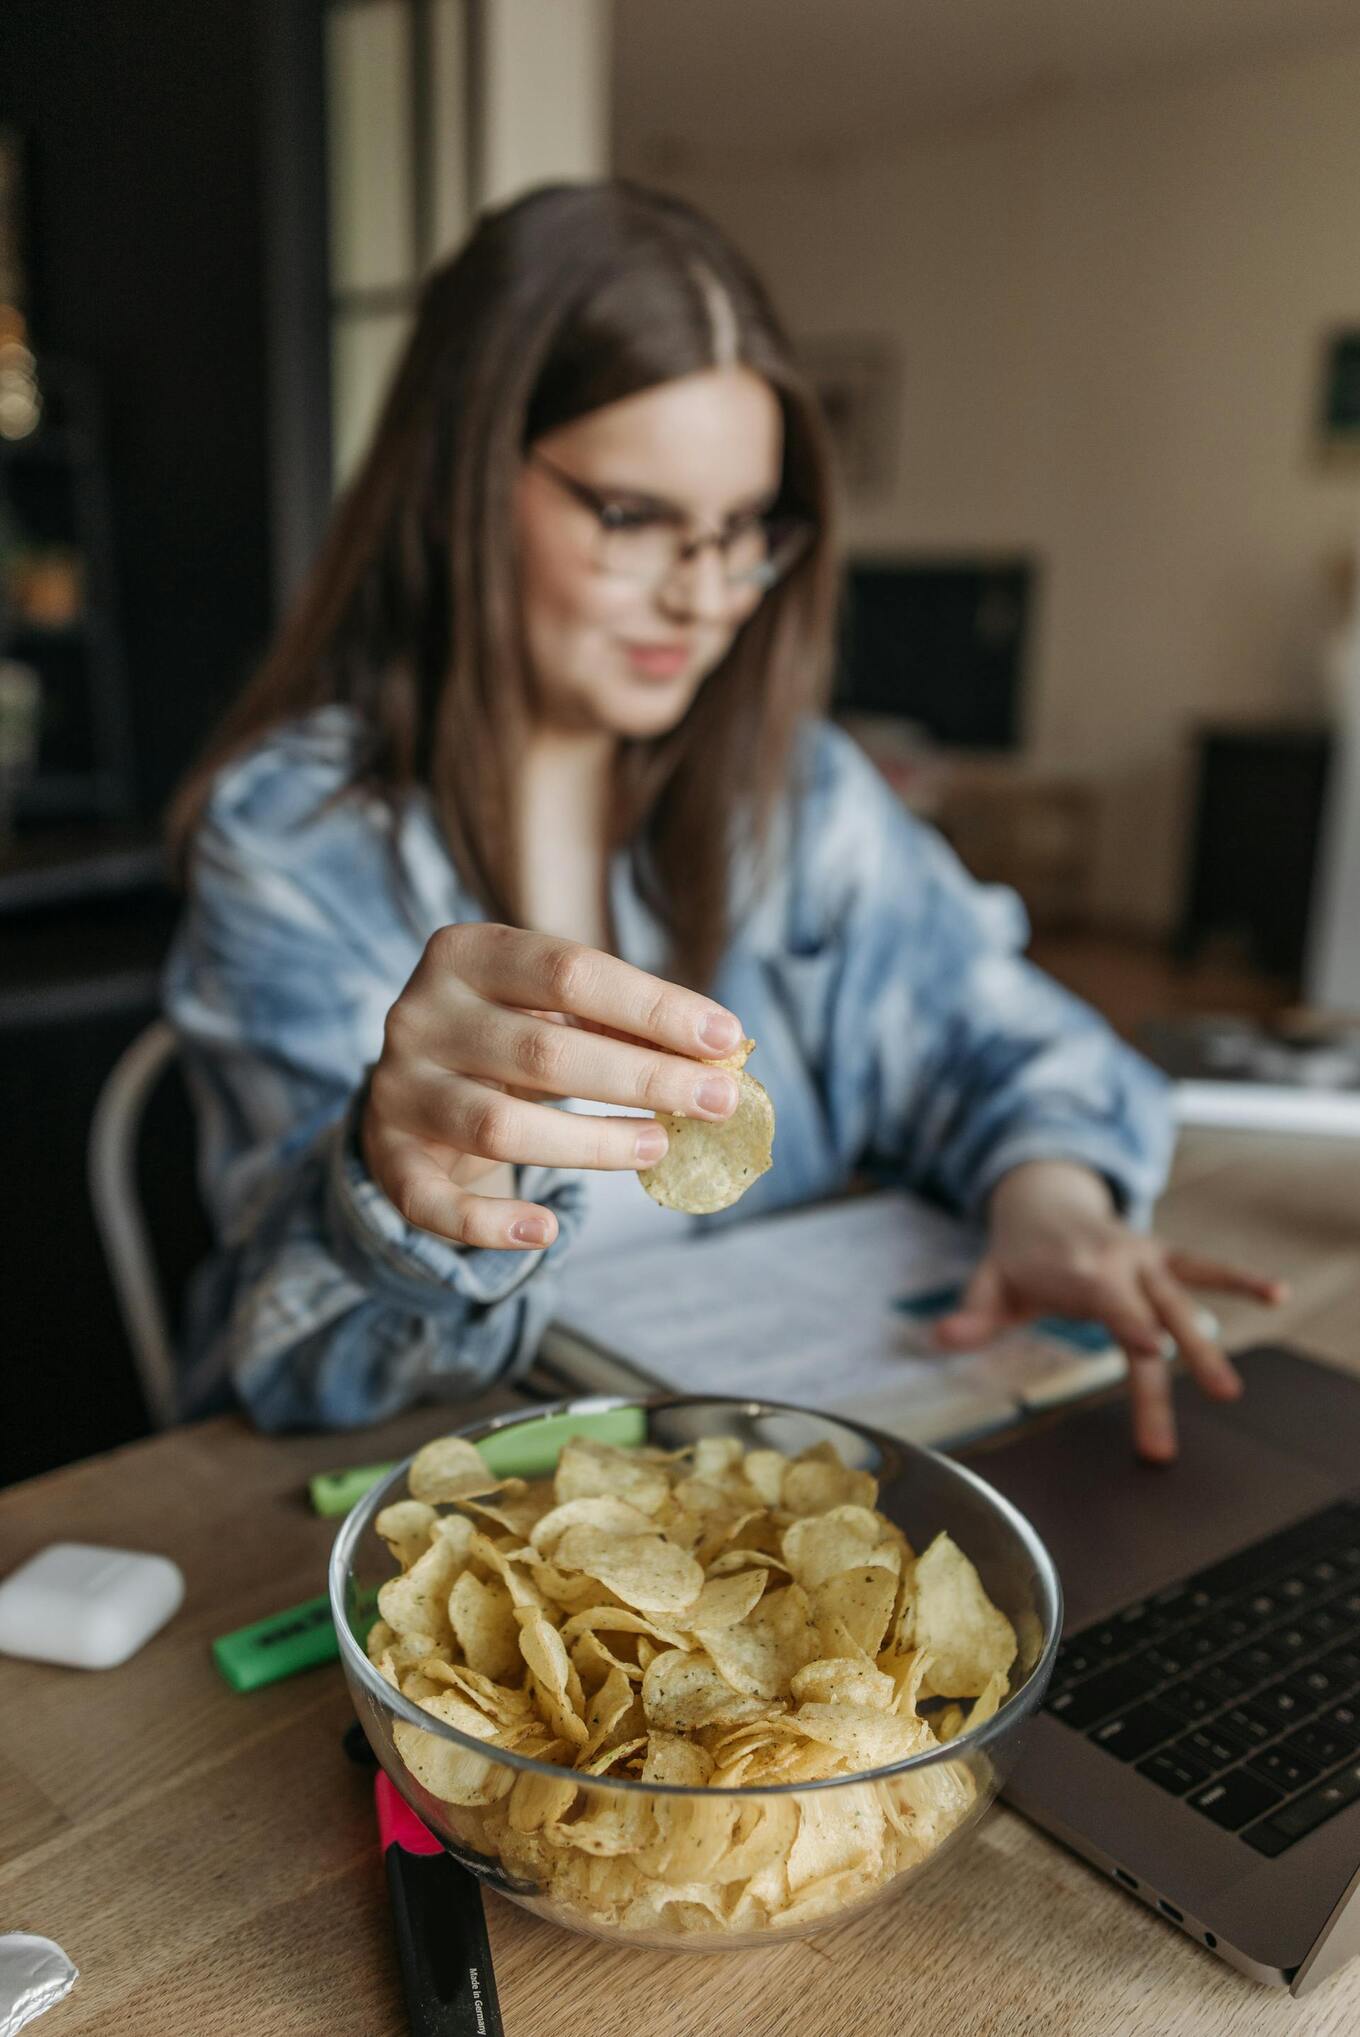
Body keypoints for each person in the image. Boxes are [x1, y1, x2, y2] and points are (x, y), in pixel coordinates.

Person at [164, 179, 1281, 1457]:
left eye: (745, 530)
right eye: (635, 519)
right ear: (461, 479)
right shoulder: (297, 838)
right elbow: (302, 1352)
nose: (706, 598)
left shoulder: (795, 791)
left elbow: (996, 1032)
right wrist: (398, 1185)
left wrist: (1054, 1200)